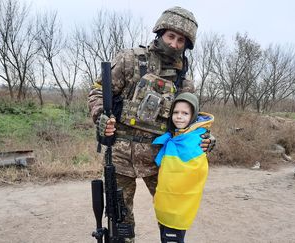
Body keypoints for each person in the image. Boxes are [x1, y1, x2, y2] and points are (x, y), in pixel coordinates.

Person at [87, 6, 215, 242]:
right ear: (160, 33)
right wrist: (101, 117)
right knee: (120, 223)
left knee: (172, 216)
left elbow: (189, 119)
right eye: (171, 36)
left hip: (161, 159)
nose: (175, 44)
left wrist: (206, 138)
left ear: (187, 45)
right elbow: (97, 92)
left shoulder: (184, 81)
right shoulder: (130, 59)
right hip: (120, 155)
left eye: (181, 40)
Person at [152, 92, 214, 243]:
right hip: (166, 200)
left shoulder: (197, 139)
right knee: (165, 234)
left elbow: (196, 170)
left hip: (180, 204)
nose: (179, 116)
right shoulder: (175, 135)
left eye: (185, 113)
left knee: (173, 236)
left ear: (193, 116)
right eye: (175, 112)